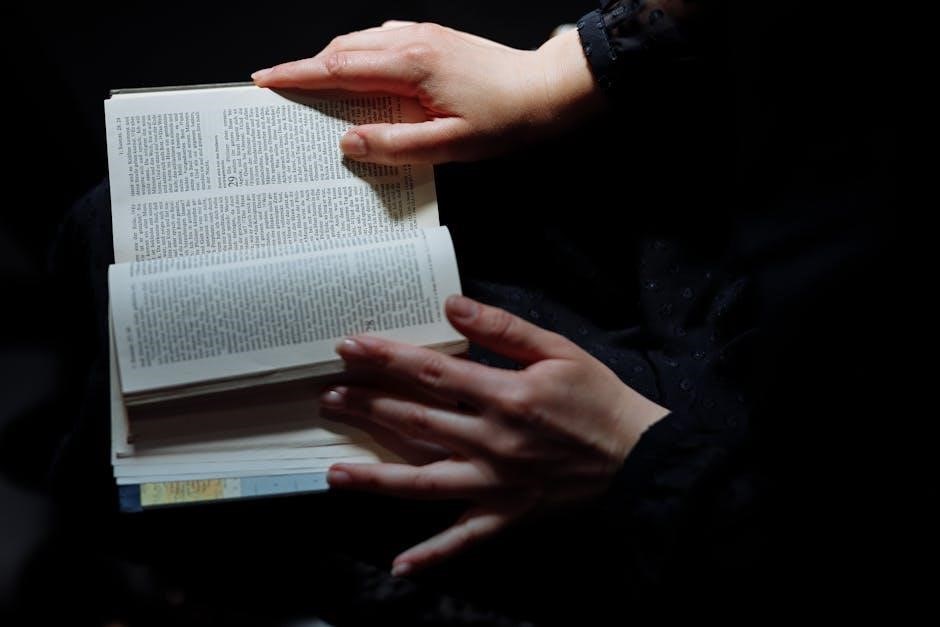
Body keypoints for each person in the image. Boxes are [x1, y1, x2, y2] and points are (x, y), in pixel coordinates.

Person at [42, 2, 896, 624]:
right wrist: (577, 63)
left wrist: (637, 455)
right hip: (738, 187)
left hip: (743, 464)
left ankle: (156, 564)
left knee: (244, 465)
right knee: (119, 234)